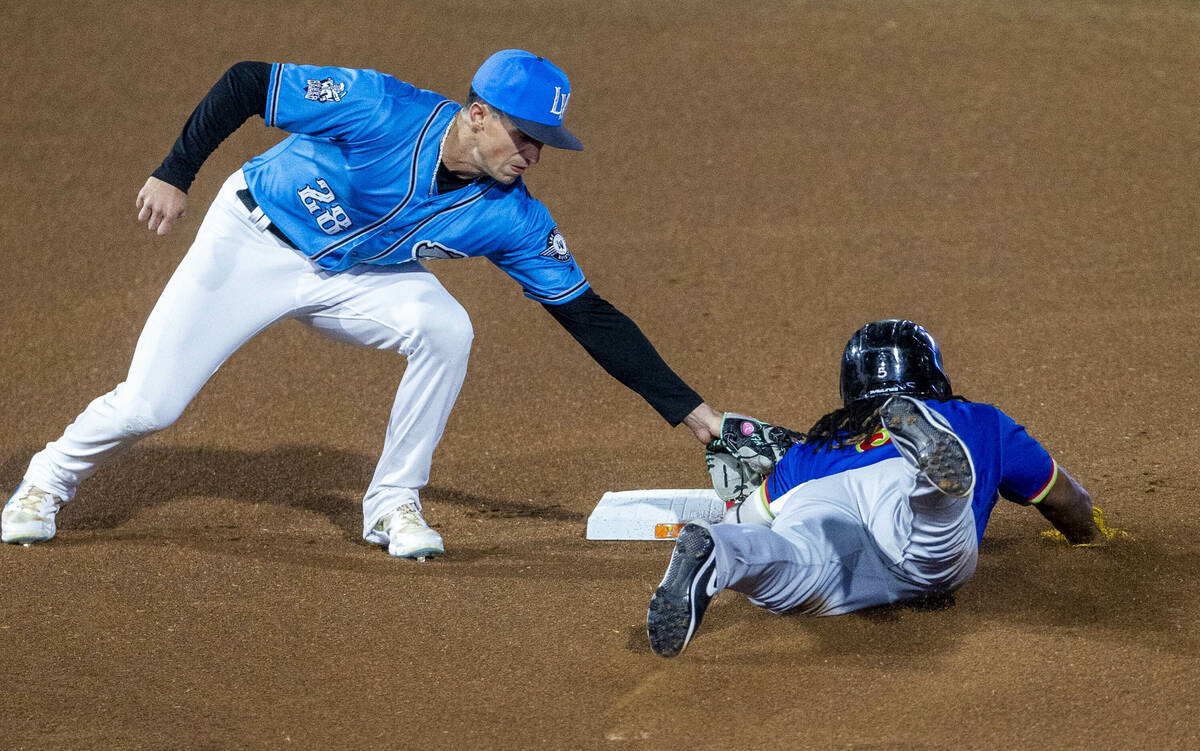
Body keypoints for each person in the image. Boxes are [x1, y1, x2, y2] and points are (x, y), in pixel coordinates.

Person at [2, 50, 726, 559]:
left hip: (352, 275)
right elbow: (249, 81)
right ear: (477, 115)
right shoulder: (379, 107)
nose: (532, 155)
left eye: (543, 143)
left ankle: (391, 504)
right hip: (254, 239)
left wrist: (697, 417)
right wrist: (174, 173)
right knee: (151, 405)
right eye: (523, 135)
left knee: (446, 326)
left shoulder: (515, 218)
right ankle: (44, 483)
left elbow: (588, 314)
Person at [646, 319, 1100, 657]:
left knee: (789, 559)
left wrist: (737, 511)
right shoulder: (981, 421)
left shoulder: (814, 449)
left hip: (822, 502)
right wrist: (1092, 540)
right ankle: (933, 483)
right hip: (902, 497)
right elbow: (1067, 503)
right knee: (931, 536)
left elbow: (749, 517)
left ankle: (721, 552)